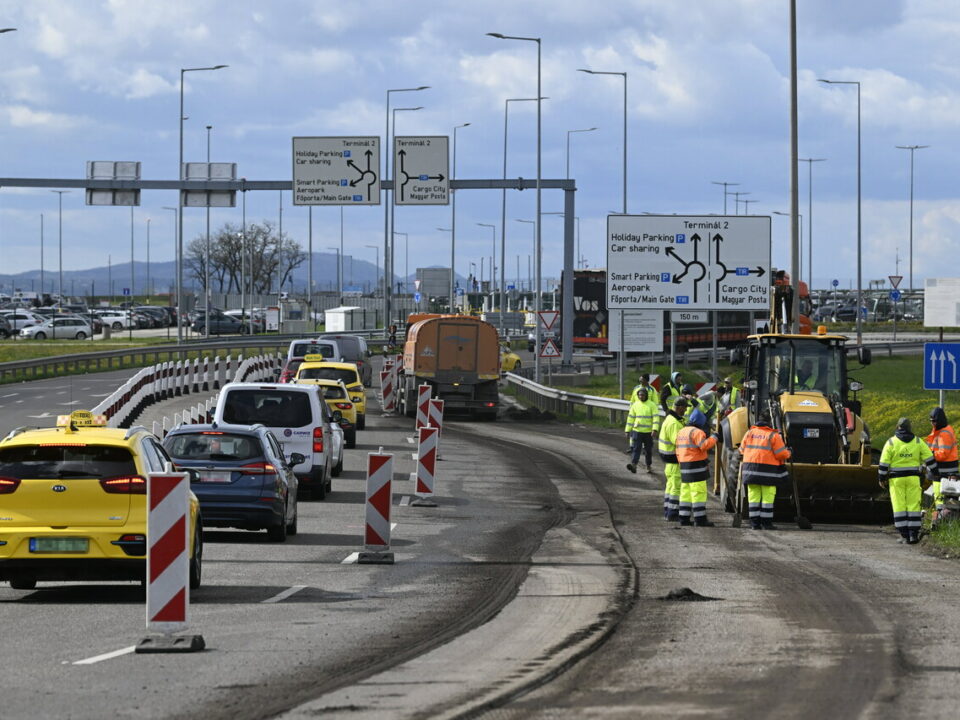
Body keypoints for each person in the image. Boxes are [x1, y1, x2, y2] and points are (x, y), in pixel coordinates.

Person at [879, 417, 938, 544]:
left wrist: (881, 478)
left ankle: (904, 535)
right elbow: (930, 460)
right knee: (913, 505)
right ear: (910, 428)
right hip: (913, 478)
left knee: (899, 506)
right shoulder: (918, 442)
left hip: (896, 480)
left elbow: (883, 464)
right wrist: (936, 473)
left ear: (897, 427)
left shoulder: (891, 443)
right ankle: (913, 535)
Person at [739, 409, 791, 530]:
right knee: (767, 497)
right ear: (770, 422)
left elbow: (741, 450)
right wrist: (789, 453)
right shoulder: (773, 435)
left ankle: (754, 524)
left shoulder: (749, 433)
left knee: (753, 497)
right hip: (768, 473)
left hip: (750, 471)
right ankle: (766, 523)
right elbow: (781, 455)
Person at [675, 408, 719, 526]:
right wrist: (714, 437)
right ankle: (700, 520)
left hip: (684, 466)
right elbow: (704, 446)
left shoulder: (682, 431)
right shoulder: (697, 432)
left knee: (686, 494)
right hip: (696, 467)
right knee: (698, 493)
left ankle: (683, 519)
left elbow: (677, 449)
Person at [657, 396, 688, 520]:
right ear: (679, 408)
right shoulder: (674, 423)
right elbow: (679, 442)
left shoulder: (670, 419)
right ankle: (673, 514)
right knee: (676, 488)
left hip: (669, 461)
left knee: (670, 487)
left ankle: (667, 511)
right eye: (685, 408)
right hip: (674, 460)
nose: (686, 410)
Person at [925, 407, 958, 520]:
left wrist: (930, 456)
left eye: (934, 421)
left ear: (940, 420)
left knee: (941, 496)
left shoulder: (944, 433)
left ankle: (941, 519)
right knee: (939, 495)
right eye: (931, 421)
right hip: (940, 471)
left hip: (944, 471)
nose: (932, 423)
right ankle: (940, 517)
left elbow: (943, 454)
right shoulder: (939, 431)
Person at [625, 387, 660, 474]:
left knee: (648, 450)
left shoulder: (652, 405)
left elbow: (656, 418)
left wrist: (655, 429)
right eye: (640, 395)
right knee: (636, 449)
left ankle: (648, 466)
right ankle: (634, 465)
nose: (641, 397)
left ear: (646, 395)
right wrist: (627, 430)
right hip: (637, 431)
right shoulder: (635, 405)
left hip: (648, 433)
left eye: (643, 395)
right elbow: (630, 418)